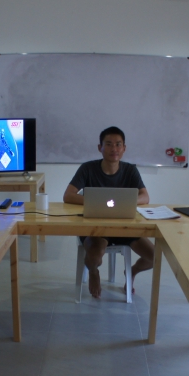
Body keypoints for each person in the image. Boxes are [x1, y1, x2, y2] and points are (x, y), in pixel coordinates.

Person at [63, 126, 155, 299]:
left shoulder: (130, 170)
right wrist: (94, 202)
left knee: (154, 257)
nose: (114, 148)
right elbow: (68, 195)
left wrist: (125, 202)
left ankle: (132, 272)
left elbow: (145, 197)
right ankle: (93, 272)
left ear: (124, 148)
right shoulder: (88, 168)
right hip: (95, 227)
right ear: (100, 147)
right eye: (109, 144)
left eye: (118, 144)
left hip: (125, 227)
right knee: (95, 257)